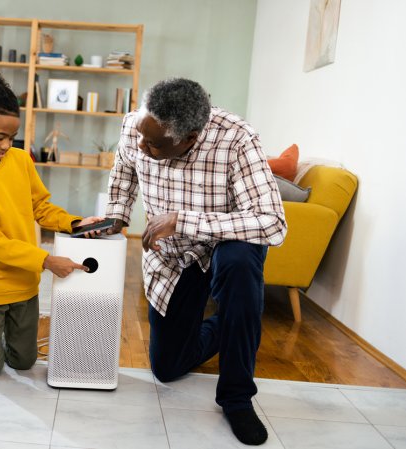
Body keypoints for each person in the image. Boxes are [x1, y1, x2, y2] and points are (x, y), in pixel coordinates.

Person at [105, 78, 287, 446]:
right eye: (141, 135)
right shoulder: (138, 126)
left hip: (225, 246)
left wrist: (182, 220)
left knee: (239, 263)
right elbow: (124, 172)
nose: (142, 145)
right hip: (173, 258)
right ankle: (231, 324)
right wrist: (116, 217)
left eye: (154, 144)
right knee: (167, 367)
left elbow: (272, 221)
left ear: (189, 138)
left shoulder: (236, 139)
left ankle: (236, 399)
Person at [0, 61, 102, 380]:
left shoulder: (19, 160)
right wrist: (46, 260)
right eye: (0, 136)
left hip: (23, 284)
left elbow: (41, 207)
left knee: (23, 363)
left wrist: (76, 223)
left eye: (12, 136)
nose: (7, 145)